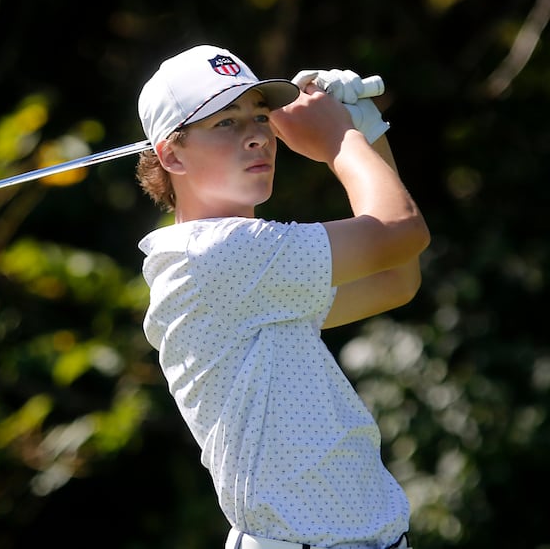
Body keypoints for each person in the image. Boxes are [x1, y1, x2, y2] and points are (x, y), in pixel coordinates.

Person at [134, 44, 430, 549]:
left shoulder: (250, 269)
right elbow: (399, 233)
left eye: (260, 116)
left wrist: (365, 133)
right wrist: (340, 138)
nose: (257, 137)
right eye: (226, 122)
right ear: (170, 153)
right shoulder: (215, 256)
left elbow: (395, 278)